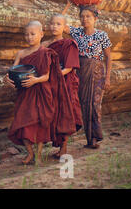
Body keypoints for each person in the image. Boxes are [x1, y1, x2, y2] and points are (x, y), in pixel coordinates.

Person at [4, 21, 58, 165]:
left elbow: (46, 76)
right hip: (24, 93)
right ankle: (30, 153)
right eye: (26, 34)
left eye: (33, 34)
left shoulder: (45, 53)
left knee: (39, 124)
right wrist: (6, 79)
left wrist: (35, 80)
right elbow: (11, 72)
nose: (29, 37)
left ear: (41, 34)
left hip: (39, 91)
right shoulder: (21, 53)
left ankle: (39, 156)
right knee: (21, 122)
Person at [62, 3, 112, 149]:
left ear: (95, 18)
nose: (85, 19)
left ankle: (95, 137)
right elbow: (60, 22)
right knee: (83, 104)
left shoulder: (101, 35)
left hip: (96, 72)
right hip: (81, 73)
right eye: (82, 16)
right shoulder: (77, 33)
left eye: (88, 16)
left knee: (95, 105)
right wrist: (67, 6)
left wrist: (107, 78)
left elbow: (109, 56)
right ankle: (89, 139)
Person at [42, 14, 83, 158]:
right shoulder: (46, 44)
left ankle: (64, 148)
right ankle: (59, 146)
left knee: (65, 113)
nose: (54, 26)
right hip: (51, 83)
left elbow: (69, 67)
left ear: (64, 27)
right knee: (54, 113)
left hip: (65, 83)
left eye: (58, 24)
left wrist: (54, 76)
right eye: (52, 24)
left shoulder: (69, 44)